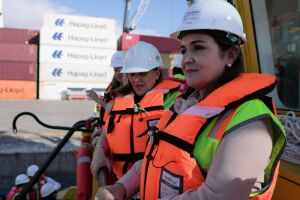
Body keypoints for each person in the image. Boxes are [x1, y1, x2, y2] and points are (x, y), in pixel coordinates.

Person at [95, 1, 286, 200]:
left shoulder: (249, 121)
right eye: (184, 50)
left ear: (230, 54)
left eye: (198, 48)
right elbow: (157, 157)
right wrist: (121, 187)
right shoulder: (185, 107)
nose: (186, 59)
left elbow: (215, 196)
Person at [90, 41, 181, 188]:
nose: (136, 79)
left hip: (155, 185)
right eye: (132, 74)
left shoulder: (174, 101)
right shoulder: (121, 99)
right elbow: (110, 131)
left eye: (142, 73)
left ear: (157, 73)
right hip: (120, 182)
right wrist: (99, 150)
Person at [92, 50, 127, 119]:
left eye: (121, 69)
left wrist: (98, 100)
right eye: (116, 70)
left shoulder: (132, 90)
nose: (118, 73)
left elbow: (115, 110)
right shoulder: (112, 87)